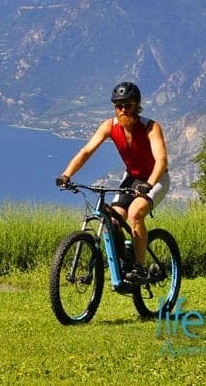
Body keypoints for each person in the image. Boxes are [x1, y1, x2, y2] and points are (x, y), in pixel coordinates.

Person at [56, 81, 169, 284]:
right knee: (113, 220)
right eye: (119, 105)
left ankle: (139, 267)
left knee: (135, 213)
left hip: (156, 178)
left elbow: (161, 160)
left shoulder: (151, 127)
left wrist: (149, 185)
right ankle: (124, 263)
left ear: (137, 105)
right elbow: (86, 152)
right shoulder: (109, 126)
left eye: (128, 105)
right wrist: (66, 175)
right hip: (131, 179)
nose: (123, 109)